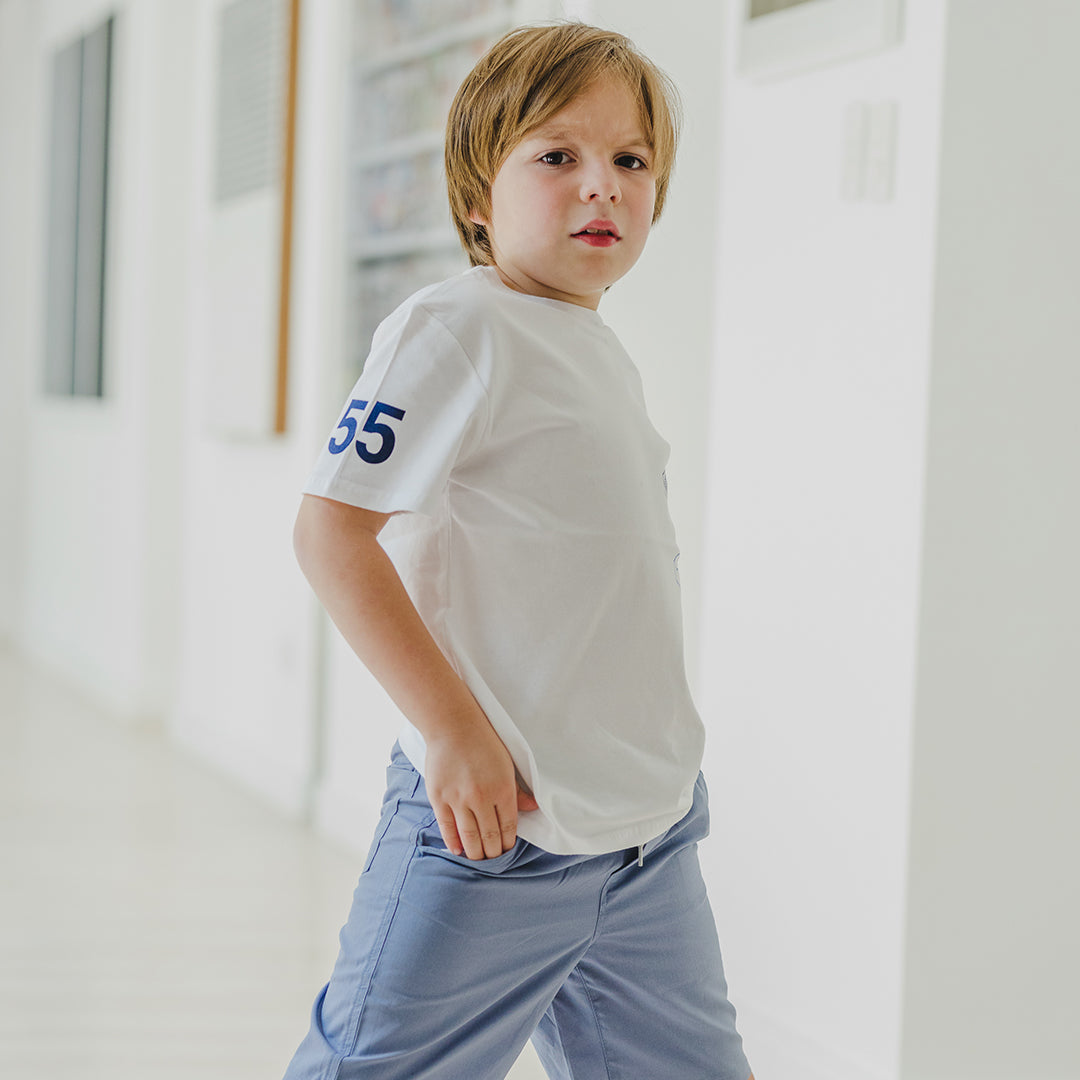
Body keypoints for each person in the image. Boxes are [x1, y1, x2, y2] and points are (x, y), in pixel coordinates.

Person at [284, 21, 753, 1080]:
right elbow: (331, 530)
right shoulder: (456, 327)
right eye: (558, 157)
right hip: (500, 836)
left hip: (646, 834)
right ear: (476, 199)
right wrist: (453, 734)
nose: (604, 186)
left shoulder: (593, 347)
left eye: (632, 161)